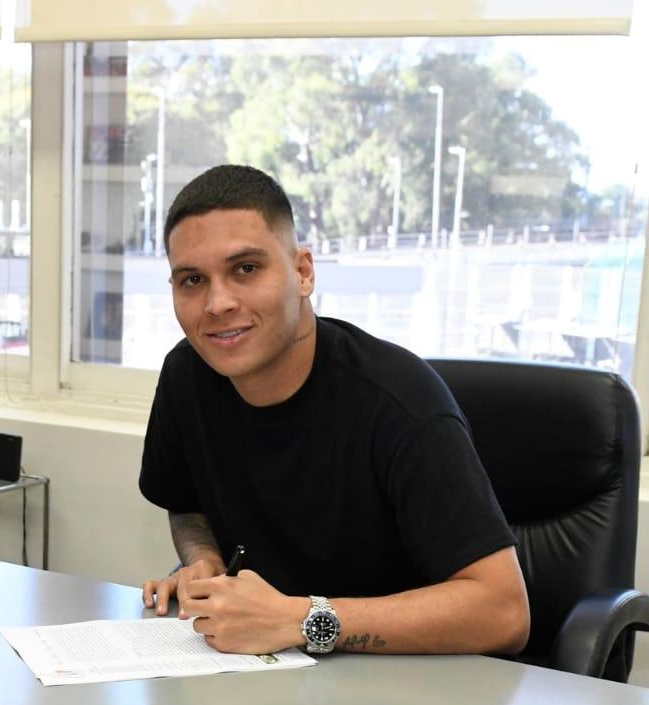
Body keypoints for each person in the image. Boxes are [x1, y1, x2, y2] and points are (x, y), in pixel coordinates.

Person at [138, 165, 529, 657]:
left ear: (303, 272)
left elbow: (504, 612)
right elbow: (186, 503)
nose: (217, 303)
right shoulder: (186, 374)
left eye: (246, 269)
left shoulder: (400, 405)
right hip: (264, 670)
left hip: (407, 681)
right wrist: (204, 558)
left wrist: (301, 619)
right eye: (192, 279)